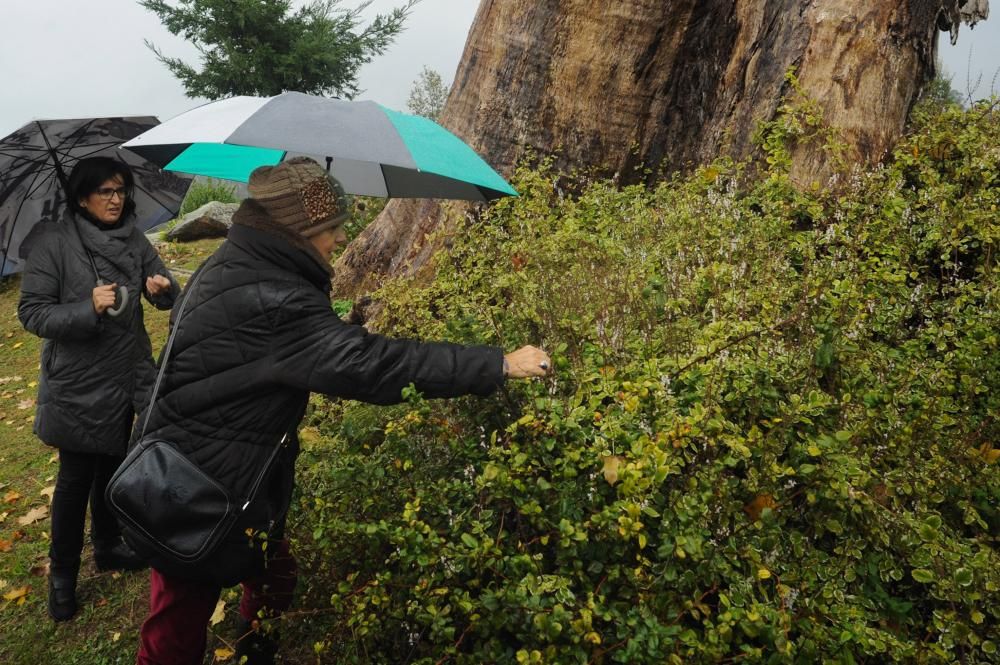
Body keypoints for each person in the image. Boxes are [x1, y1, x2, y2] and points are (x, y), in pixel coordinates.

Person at [134, 157, 550, 665]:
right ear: (298, 231)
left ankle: (255, 642)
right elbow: (373, 365)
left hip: (225, 469)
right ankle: (252, 639)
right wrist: (495, 364)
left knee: (270, 567)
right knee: (176, 623)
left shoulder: (235, 261)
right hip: (196, 484)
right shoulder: (276, 298)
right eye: (331, 229)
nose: (339, 240)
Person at [17, 156, 180, 622]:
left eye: (121, 190)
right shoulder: (54, 243)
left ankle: (108, 545)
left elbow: (162, 287)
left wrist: (160, 289)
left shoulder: (133, 236)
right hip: (78, 380)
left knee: (113, 463)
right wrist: (85, 307)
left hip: (128, 371)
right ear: (82, 196)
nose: (116, 199)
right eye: (105, 192)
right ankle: (63, 576)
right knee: (75, 479)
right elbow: (32, 313)